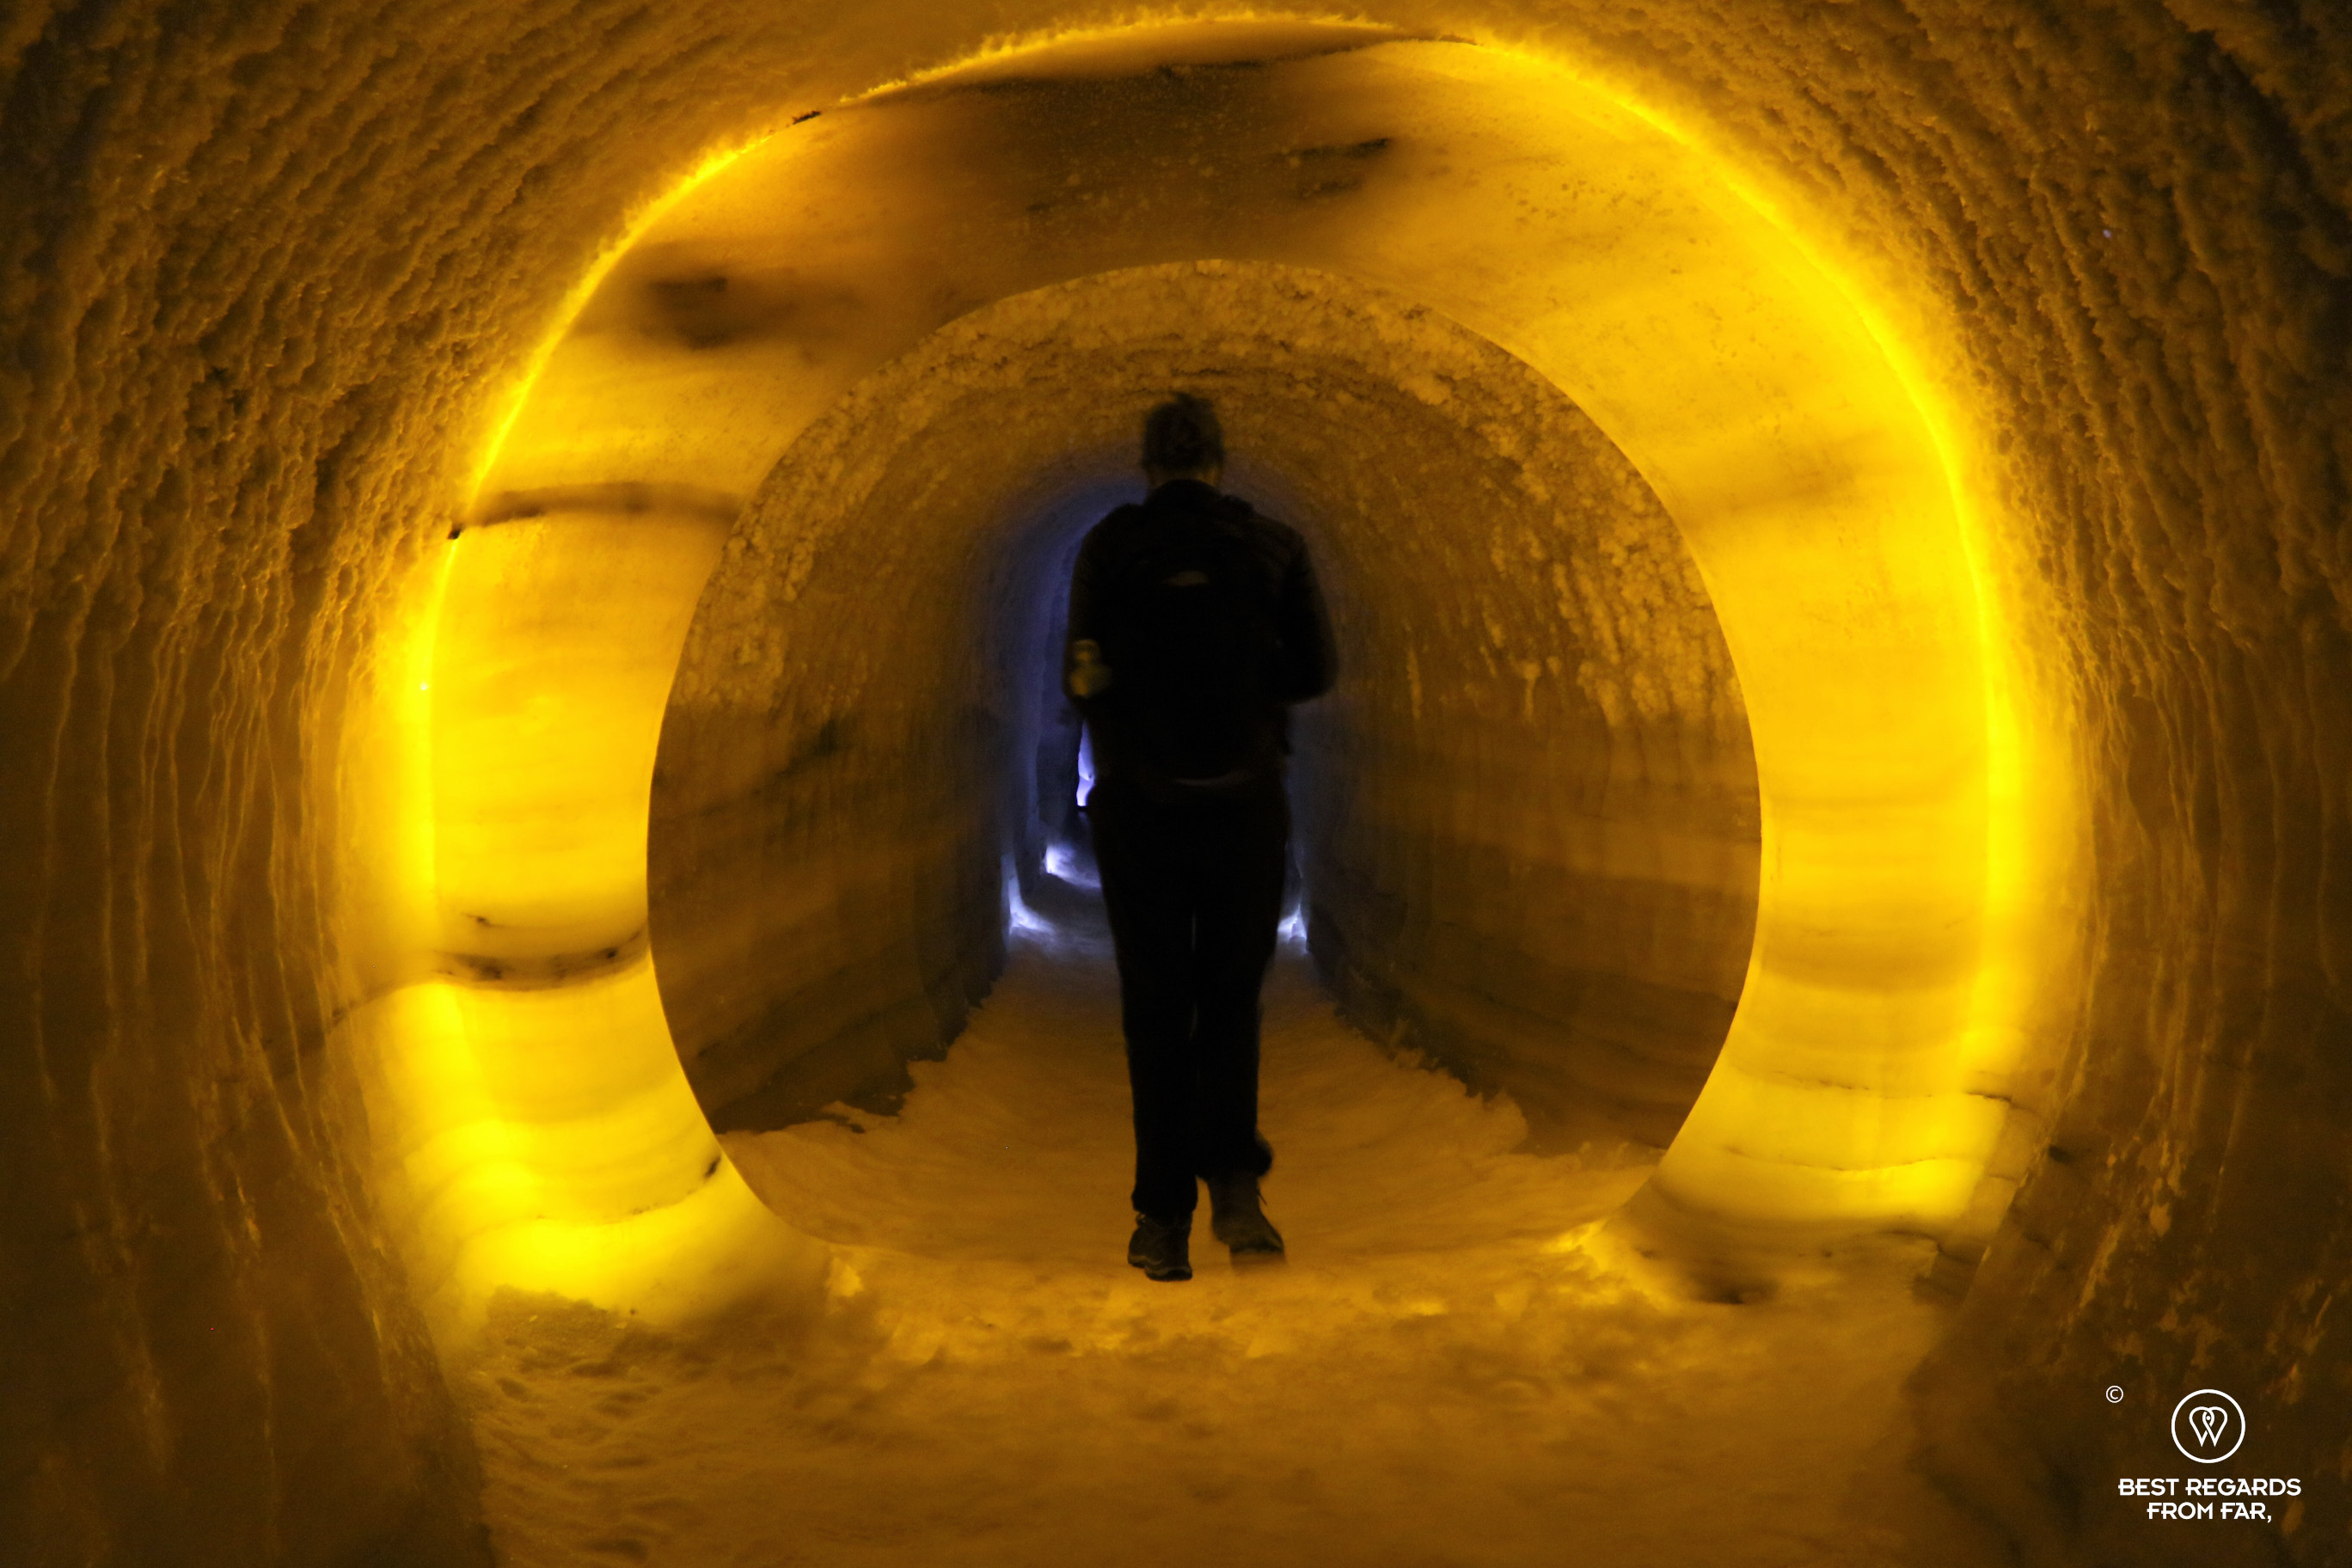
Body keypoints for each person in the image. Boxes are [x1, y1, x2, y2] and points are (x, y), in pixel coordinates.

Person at [1063, 394, 1338, 1283]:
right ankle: (1237, 1191)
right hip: (1242, 808)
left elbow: (1082, 678)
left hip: (1140, 812)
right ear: (1221, 462)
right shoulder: (1274, 544)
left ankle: (1160, 1220)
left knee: (1155, 1008)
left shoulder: (1109, 548)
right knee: (1227, 1002)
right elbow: (1317, 670)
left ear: (1147, 466)